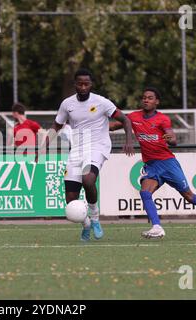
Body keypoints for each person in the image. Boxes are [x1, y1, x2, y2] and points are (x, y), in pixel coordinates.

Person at [109, 87, 196, 238]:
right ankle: (157, 227)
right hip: (152, 165)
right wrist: (92, 125)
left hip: (168, 164)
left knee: (189, 196)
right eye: (144, 97)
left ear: (156, 102)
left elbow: (172, 137)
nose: (146, 100)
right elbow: (114, 126)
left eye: (150, 98)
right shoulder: (134, 117)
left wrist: (171, 139)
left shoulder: (162, 119)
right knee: (145, 192)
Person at [41, 68, 135, 241]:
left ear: (91, 85)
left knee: (88, 179)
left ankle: (95, 218)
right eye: (80, 83)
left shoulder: (102, 102)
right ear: (75, 84)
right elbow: (56, 125)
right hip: (77, 150)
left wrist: (129, 140)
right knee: (71, 200)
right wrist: (44, 145)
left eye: (86, 84)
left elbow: (125, 119)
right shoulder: (67, 104)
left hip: (98, 147)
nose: (83, 87)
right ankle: (86, 224)